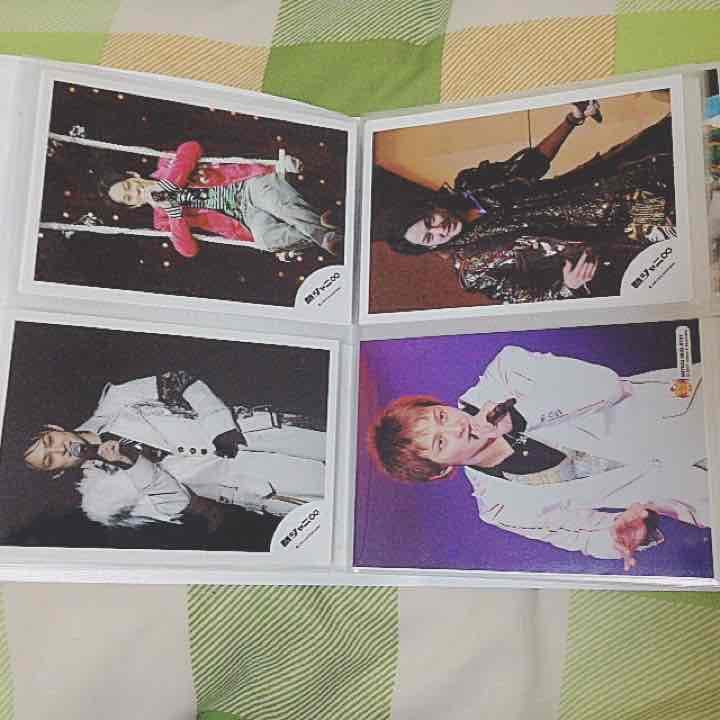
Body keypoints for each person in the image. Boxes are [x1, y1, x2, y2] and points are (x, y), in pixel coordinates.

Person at [369, 345, 709, 571]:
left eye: (441, 416)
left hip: (697, 407)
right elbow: (585, 536)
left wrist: (519, 418)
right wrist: (621, 535)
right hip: (697, 494)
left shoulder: (506, 373)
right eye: (441, 443)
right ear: (441, 471)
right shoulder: (500, 508)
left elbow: (608, 386)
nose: (456, 427)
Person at [380, 101, 676, 303]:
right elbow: (529, 299)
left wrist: (572, 119)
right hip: (619, 232)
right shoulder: (473, 269)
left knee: (677, 139)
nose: (439, 229)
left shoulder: (471, 185)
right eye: (429, 237)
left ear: (431, 206)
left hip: (607, 180)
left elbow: (531, 164)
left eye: (430, 220)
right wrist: (567, 288)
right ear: (429, 248)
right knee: (686, 209)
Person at [24, 371, 326, 530]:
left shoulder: (116, 401)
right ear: (56, 473)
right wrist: (131, 463)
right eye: (49, 460)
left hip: (261, 434)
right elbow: (180, 505)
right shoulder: (103, 497)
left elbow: (181, 381)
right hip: (258, 486)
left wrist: (219, 425)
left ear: (54, 427)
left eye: (49, 441)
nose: (59, 450)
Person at [106, 141, 342, 260]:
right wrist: (174, 212)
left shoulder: (166, 164)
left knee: (282, 206)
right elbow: (188, 250)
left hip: (247, 186)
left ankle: (331, 238)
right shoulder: (161, 220)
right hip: (244, 218)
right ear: (134, 204)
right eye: (129, 197)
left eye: (129, 186)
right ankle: (332, 229)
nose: (135, 191)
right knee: (267, 241)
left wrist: (170, 184)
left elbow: (191, 147)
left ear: (133, 176)